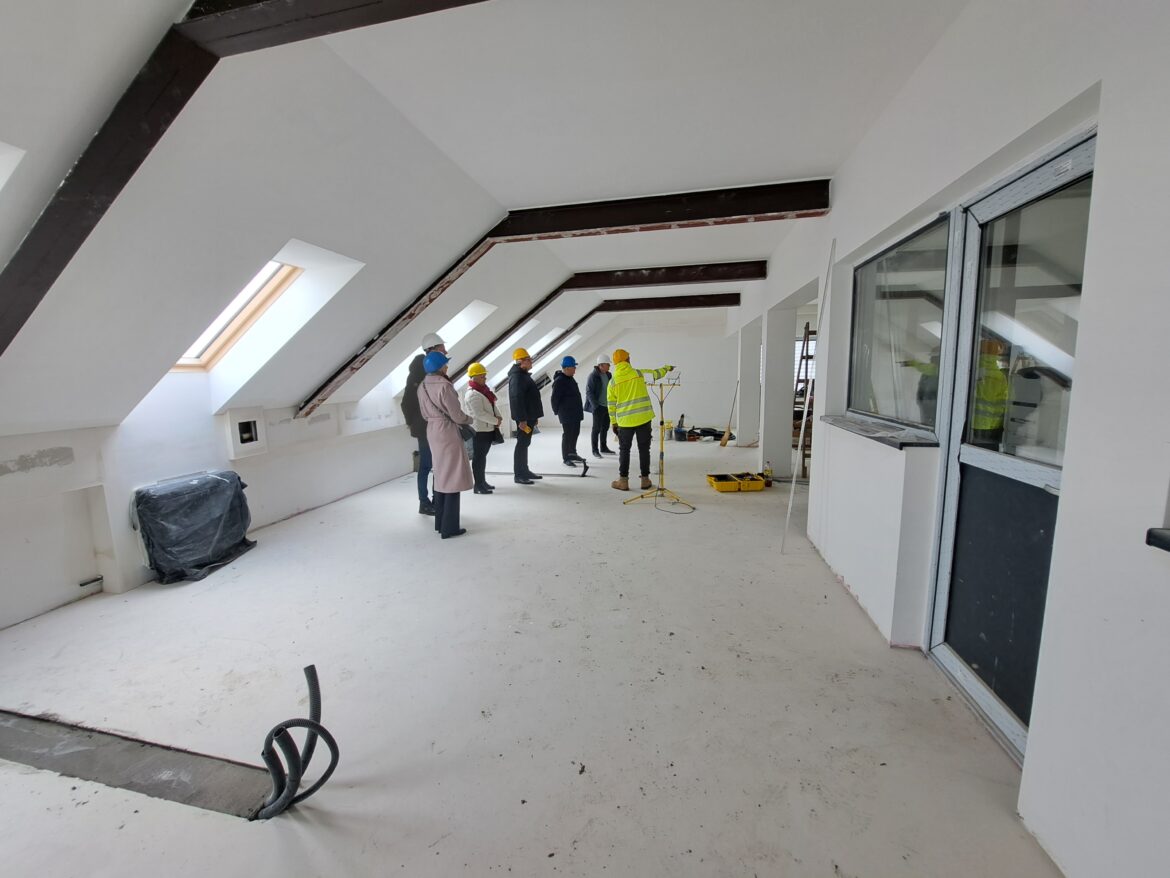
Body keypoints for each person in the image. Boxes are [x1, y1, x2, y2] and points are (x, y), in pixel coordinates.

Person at [417, 350, 473, 539]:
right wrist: (469, 419)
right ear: (440, 367)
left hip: (432, 430)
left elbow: (424, 414)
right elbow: (457, 415)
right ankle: (450, 527)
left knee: (441, 475)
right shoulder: (444, 386)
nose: (447, 366)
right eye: (445, 364)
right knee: (453, 477)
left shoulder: (422, 386)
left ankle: (440, 523)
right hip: (447, 431)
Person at [606, 349, 673, 491]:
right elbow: (656, 374)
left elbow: (611, 405)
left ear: (615, 363)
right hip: (643, 418)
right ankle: (645, 480)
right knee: (644, 449)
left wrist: (613, 422)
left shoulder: (612, 382)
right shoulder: (639, 374)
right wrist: (667, 368)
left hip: (625, 422)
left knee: (624, 450)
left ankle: (623, 481)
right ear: (627, 360)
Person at [401, 332, 446, 515]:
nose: (445, 351)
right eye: (442, 348)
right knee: (427, 465)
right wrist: (412, 423)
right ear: (432, 349)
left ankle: (437, 499)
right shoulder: (418, 374)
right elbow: (406, 402)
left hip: (435, 426)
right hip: (424, 427)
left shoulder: (435, 370)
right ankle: (424, 502)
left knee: (437, 465)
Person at [462, 361, 502, 494]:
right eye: (482, 376)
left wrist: (498, 417)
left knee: (482, 457)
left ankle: (482, 482)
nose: (485, 378)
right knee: (479, 458)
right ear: (474, 377)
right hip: (480, 431)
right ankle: (478, 485)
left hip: (487, 429)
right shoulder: (473, 394)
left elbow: (492, 405)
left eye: (484, 376)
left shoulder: (483, 391)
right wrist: (495, 421)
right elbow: (479, 414)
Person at [506, 347, 544, 484]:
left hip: (529, 416)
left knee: (525, 443)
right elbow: (516, 399)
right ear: (520, 361)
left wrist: (535, 416)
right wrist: (521, 420)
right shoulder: (517, 377)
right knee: (521, 444)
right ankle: (519, 474)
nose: (531, 361)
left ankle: (525, 470)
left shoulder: (523, 375)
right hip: (524, 418)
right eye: (528, 359)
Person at [550, 356, 587, 468]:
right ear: (566, 368)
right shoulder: (559, 381)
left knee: (575, 433)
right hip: (566, 414)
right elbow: (554, 398)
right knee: (567, 435)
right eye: (573, 367)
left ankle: (572, 454)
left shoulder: (570, 378)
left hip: (575, 413)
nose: (575, 369)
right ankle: (566, 458)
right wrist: (558, 412)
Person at [584, 354, 615, 458]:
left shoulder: (609, 375)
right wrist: (595, 406)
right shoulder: (593, 376)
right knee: (596, 429)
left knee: (605, 428)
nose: (609, 366)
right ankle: (595, 450)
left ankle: (603, 447)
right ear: (601, 365)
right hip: (598, 407)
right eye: (607, 364)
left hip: (607, 406)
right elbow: (589, 392)